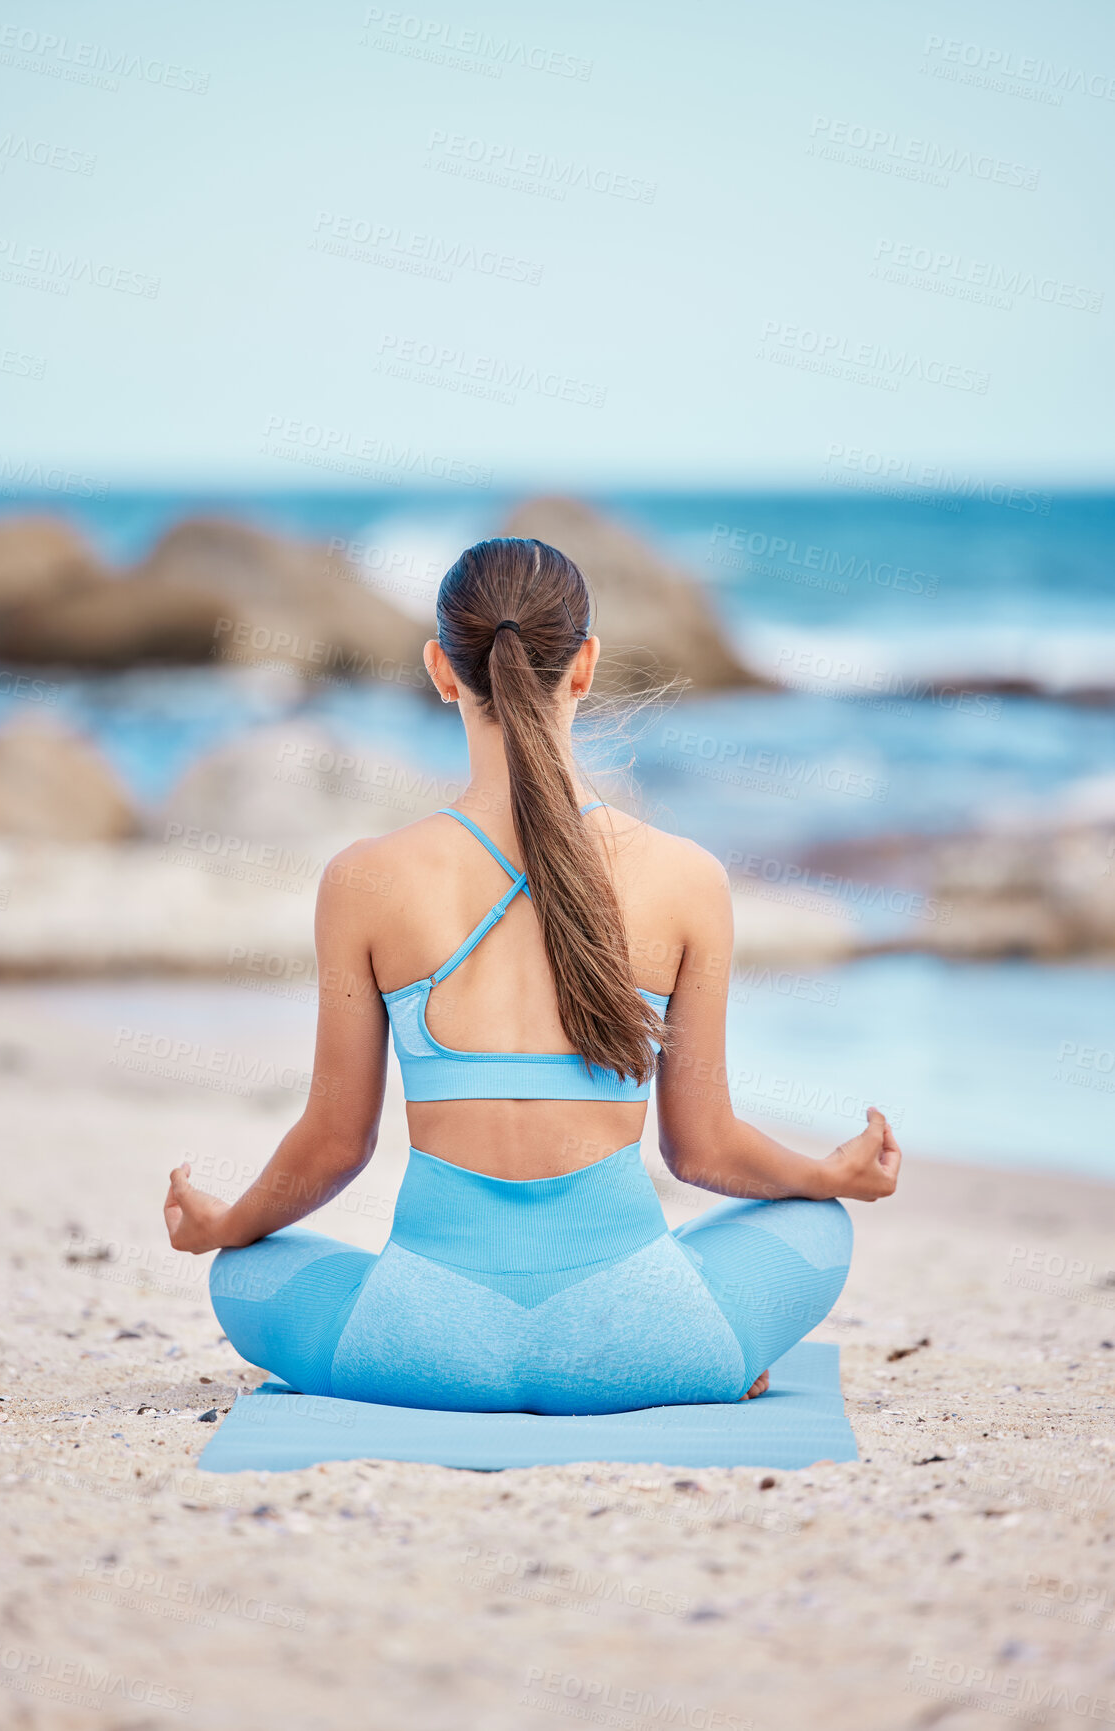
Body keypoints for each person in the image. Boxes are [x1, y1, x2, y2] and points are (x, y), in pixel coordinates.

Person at [164, 536, 900, 1416]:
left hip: (419, 1350)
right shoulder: (686, 877)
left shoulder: (363, 878)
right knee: (817, 1229)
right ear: (584, 664)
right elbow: (701, 1150)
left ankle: (660, 1349)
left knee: (245, 1274)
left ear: (442, 669)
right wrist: (829, 1175)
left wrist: (226, 1225)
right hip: (646, 1342)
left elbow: (334, 1144)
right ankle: (711, 1354)